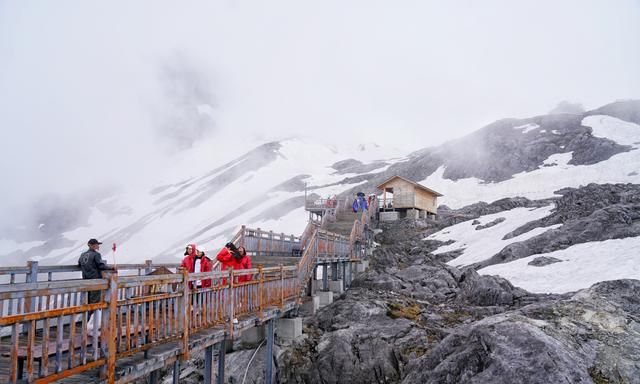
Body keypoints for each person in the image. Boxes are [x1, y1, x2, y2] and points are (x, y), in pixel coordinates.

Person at [78, 238, 115, 326]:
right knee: (95, 302)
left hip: (86, 280)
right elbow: (100, 265)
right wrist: (111, 268)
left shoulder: (83, 254)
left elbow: (79, 264)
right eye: (97, 244)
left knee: (88, 301)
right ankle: (91, 323)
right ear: (92, 245)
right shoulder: (96, 254)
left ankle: (87, 321)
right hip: (95, 280)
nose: (98, 246)